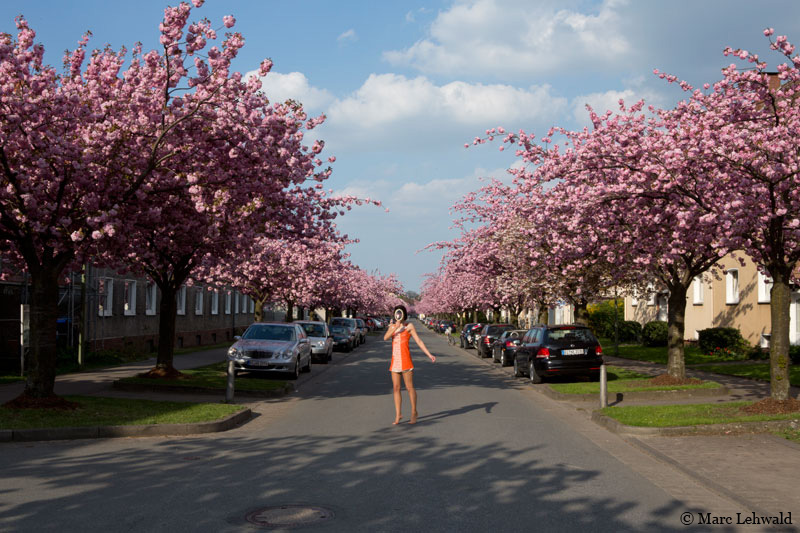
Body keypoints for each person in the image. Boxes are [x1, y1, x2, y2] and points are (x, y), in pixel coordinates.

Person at [383, 304, 435, 425]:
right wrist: (394, 327)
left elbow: (419, 341)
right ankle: (398, 415)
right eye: (396, 313)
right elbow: (385, 338)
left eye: (400, 313)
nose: (398, 315)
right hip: (395, 361)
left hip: (406, 360)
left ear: (404, 314)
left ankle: (413, 412)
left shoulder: (409, 326)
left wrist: (429, 354)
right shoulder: (392, 326)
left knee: (409, 387)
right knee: (396, 388)